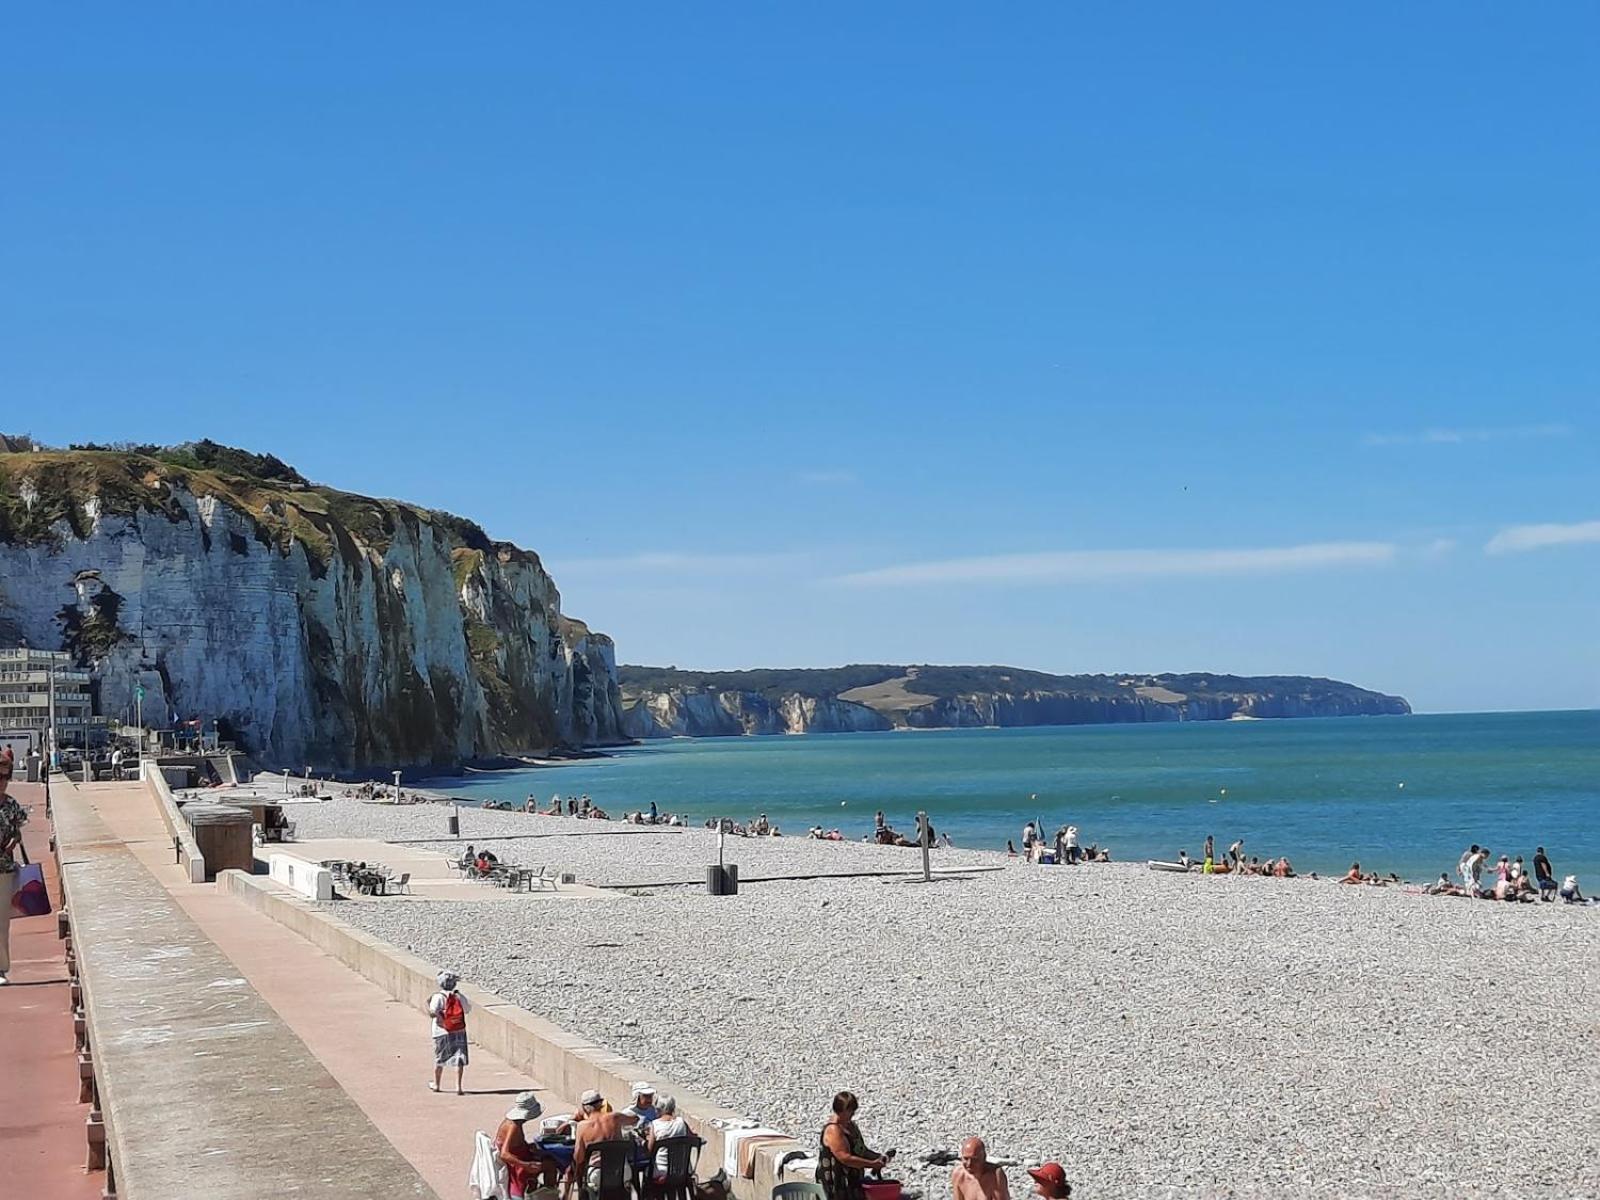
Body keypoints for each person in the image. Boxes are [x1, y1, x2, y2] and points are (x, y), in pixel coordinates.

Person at [818, 1091, 889, 1200]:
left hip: (853, 1181)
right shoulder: (833, 1130)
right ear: (841, 1110)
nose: (853, 1113)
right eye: (850, 1110)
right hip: (837, 1183)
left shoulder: (851, 1126)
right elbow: (845, 1158)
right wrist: (871, 1164)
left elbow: (861, 1150)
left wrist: (877, 1157)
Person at [496, 1091, 560, 1198]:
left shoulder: (513, 1123)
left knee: (546, 1157)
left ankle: (538, 1190)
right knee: (550, 1165)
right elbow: (504, 1154)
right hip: (517, 1164)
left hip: (521, 1156)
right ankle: (548, 1195)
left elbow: (516, 1144)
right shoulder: (513, 1126)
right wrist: (526, 1165)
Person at [570, 1089, 629, 1195]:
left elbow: (579, 1158)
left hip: (597, 1174)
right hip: (622, 1172)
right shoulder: (615, 1117)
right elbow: (635, 1119)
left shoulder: (582, 1126)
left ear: (584, 1108)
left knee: (578, 1170)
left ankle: (582, 1193)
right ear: (601, 1104)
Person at [0, 785, 28, 986]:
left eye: (5, 777)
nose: (2, 782)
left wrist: (13, 841)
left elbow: (19, 831)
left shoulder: (11, 805)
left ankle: (1, 968)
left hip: (4, 868)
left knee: (1, 921)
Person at [427, 970, 471, 1094]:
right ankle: (458, 1086)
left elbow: (433, 1012)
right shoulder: (459, 997)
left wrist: (440, 1018)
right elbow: (467, 1009)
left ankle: (437, 1084)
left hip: (441, 1032)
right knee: (459, 1059)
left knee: (440, 1058)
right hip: (459, 1030)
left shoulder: (438, 997)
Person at [646, 1095, 690, 1181]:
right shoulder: (681, 1122)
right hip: (680, 1170)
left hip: (661, 1170)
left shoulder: (655, 1124)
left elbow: (649, 1150)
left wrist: (648, 1139)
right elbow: (692, 1136)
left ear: (659, 1108)